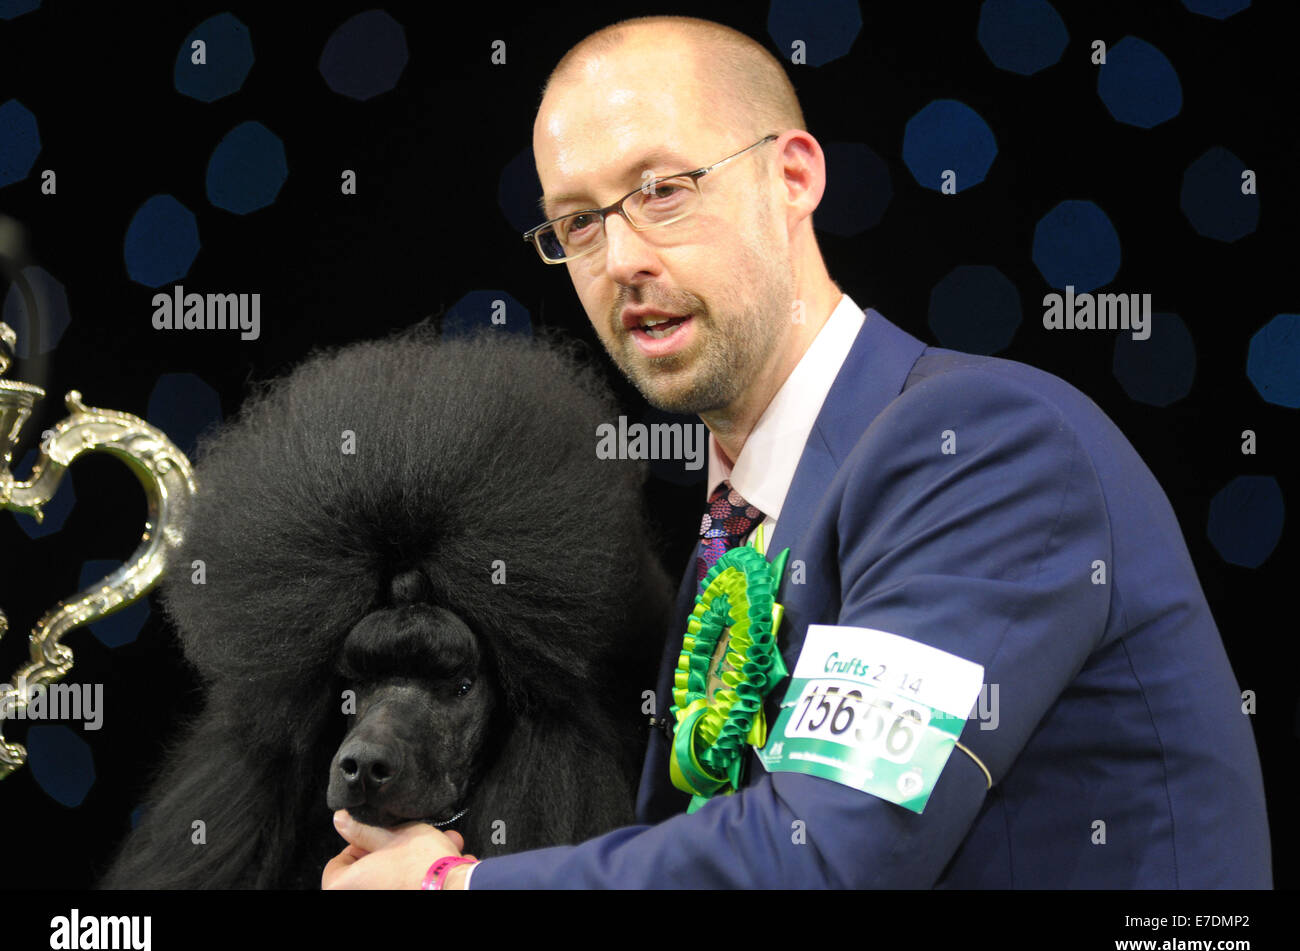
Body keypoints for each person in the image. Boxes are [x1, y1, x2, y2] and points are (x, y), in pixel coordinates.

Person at [323, 15, 1271, 889]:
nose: (619, 261)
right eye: (578, 222)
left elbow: (829, 853)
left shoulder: (984, 446)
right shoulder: (732, 531)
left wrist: (456, 887)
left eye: (661, 190)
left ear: (795, 177)